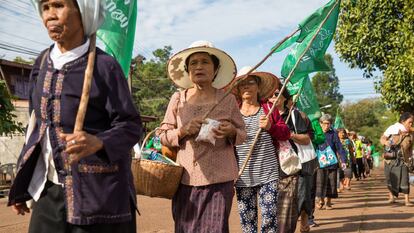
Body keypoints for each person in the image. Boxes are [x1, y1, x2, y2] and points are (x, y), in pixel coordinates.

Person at [8, 1, 142, 232]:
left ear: (84, 12)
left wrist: (99, 142)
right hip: (49, 190)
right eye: (46, 7)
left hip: (99, 196)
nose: (49, 15)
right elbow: (36, 127)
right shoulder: (41, 63)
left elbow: (131, 126)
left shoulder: (105, 66)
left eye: (58, 5)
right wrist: (23, 180)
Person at [158, 40, 247, 232]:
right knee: (185, 228)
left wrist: (231, 131)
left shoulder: (228, 99)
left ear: (215, 69)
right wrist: (183, 131)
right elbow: (162, 135)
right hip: (185, 180)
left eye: (205, 62)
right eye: (193, 63)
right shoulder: (178, 99)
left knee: (214, 229)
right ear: (188, 70)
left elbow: (242, 134)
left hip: (220, 181)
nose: (199, 66)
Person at [231, 66, 290, 232]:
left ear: (258, 87)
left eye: (250, 82)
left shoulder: (268, 109)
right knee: (247, 221)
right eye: (243, 83)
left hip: (268, 173)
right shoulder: (233, 111)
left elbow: (285, 133)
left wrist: (271, 126)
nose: (246, 86)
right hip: (242, 174)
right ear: (238, 89)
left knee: (269, 217)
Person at [270, 87, 310, 233]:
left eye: (276, 94)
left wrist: (288, 134)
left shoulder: (293, 115)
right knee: (270, 213)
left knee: (286, 213)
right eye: (270, 95)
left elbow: (306, 139)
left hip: (288, 168)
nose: (273, 97)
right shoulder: (264, 115)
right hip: (267, 169)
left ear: (285, 98)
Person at [380, 112, 414, 206]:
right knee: (390, 178)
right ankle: (391, 197)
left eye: (412, 123)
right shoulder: (392, 129)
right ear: (403, 121)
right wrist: (386, 142)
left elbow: (410, 147)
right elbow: (382, 138)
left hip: (403, 159)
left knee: (404, 178)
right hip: (391, 159)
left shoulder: (411, 134)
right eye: (409, 122)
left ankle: (407, 200)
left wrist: (410, 158)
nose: (411, 124)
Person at [315, 114, 347, 210]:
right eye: (325, 123)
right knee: (320, 182)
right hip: (320, 163)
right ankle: (321, 200)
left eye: (329, 123)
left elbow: (339, 147)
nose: (327, 126)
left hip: (332, 162)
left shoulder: (333, 134)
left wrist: (343, 160)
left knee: (331, 182)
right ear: (320, 124)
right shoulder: (316, 133)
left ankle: (328, 202)